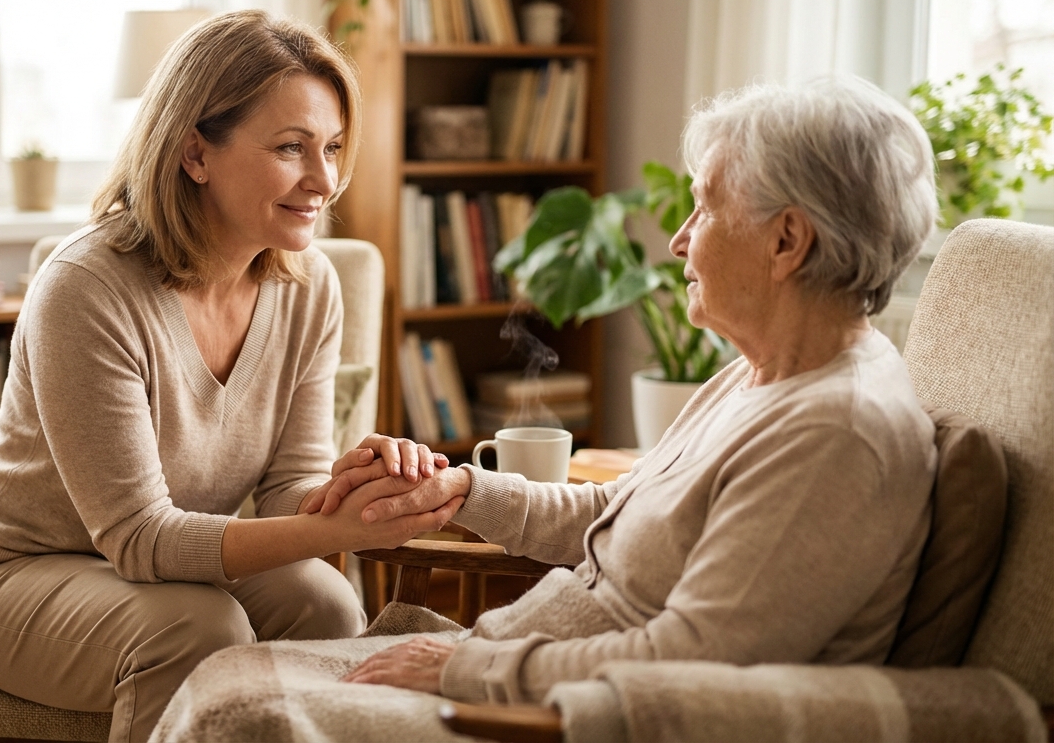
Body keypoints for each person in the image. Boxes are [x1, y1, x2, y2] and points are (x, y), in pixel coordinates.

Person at [152, 75, 941, 738]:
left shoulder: (835, 434)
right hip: (514, 665)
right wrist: (463, 492)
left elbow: (695, 658)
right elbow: (618, 519)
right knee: (230, 680)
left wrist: (468, 665)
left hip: (540, 713)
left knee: (235, 718)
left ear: (787, 242)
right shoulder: (763, 376)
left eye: (704, 209)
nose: (679, 240)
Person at [0, 11, 458, 743]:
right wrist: (331, 526)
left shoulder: (310, 287)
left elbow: (286, 490)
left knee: (327, 604)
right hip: (10, 574)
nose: (324, 179)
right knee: (196, 626)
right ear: (194, 153)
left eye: (333, 147)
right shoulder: (86, 287)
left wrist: (361, 492)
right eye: (290, 148)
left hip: (165, 569)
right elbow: (140, 538)